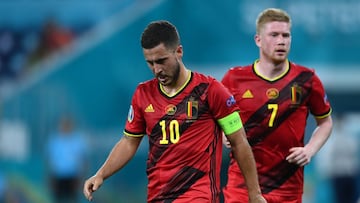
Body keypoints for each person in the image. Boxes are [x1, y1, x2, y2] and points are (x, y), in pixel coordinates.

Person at [83, 20, 266, 203]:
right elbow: (129, 142)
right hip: (158, 196)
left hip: (198, 195)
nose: (157, 70)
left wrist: (255, 194)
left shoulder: (210, 90)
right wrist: (101, 174)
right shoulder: (143, 94)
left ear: (179, 51)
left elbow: (239, 142)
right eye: (150, 63)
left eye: (162, 61)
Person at [221, 8, 333, 203]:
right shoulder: (234, 79)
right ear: (258, 40)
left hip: (287, 186)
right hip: (242, 185)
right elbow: (213, 119)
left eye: (286, 35)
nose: (281, 41)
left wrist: (309, 150)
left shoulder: (306, 79)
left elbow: (326, 123)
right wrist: (223, 134)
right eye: (274, 35)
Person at [46, 115, 88, 203]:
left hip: (73, 176)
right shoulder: (54, 141)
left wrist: (82, 177)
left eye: (67, 124)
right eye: (62, 124)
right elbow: (50, 161)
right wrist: (50, 178)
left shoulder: (78, 141)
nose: (64, 127)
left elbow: (83, 161)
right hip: (58, 176)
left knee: (72, 199)